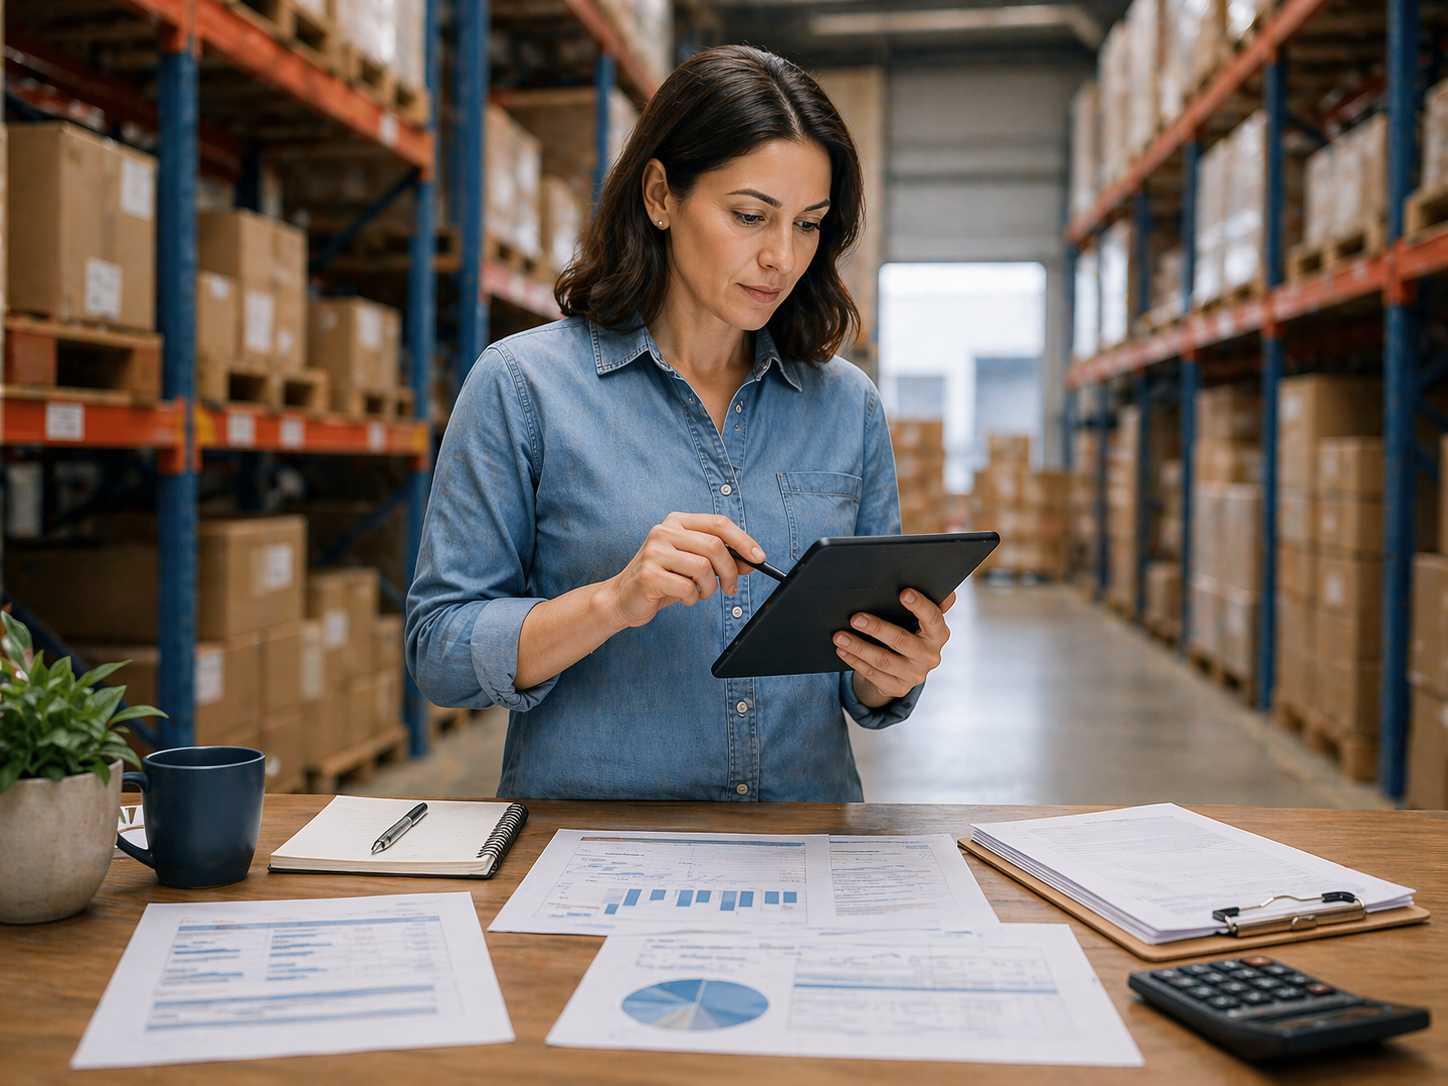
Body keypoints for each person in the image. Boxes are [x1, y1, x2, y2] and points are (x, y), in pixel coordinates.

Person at [406, 44, 954, 802]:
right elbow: (439, 651)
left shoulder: (845, 405)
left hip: (800, 850)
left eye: (809, 225)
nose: (780, 257)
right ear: (660, 195)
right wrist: (611, 601)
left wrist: (891, 673)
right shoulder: (523, 387)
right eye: (750, 215)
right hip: (592, 853)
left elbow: (864, 685)